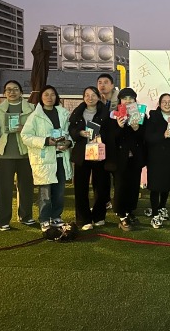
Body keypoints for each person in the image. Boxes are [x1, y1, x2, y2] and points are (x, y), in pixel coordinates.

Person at [21, 85, 73, 232]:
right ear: (41, 98)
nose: (49, 97)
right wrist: (45, 141)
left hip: (60, 157)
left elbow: (69, 133)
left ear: (56, 97)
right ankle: (44, 219)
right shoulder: (35, 116)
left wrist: (68, 142)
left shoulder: (63, 113)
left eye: (52, 94)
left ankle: (56, 216)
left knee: (59, 191)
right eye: (46, 95)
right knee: (45, 193)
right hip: (44, 159)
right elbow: (25, 136)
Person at [0, 80, 36, 231]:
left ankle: (26, 216)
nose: (12, 92)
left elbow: (37, 130)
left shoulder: (31, 108)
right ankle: (3, 220)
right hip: (4, 155)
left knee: (26, 188)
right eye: (8, 89)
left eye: (15, 89)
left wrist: (24, 128)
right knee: (3, 190)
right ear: (4, 93)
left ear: (21, 92)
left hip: (26, 154)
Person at [68, 86, 110, 231]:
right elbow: (71, 130)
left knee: (101, 187)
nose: (90, 98)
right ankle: (83, 219)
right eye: (87, 95)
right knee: (81, 187)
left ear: (98, 97)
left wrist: (101, 136)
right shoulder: (77, 112)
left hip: (99, 154)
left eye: (93, 95)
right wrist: (80, 133)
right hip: (82, 154)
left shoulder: (105, 113)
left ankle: (99, 216)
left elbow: (110, 132)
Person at [104, 87, 146, 231]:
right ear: (120, 101)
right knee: (120, 186)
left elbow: (144, 137)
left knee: (133, 186)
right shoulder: (113, 116)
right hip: (119, 159)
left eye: (131, 98)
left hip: (135, 158)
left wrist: (137, 129)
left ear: (135, 100)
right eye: (124, 98)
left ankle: (129, 211)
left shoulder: (140, 115)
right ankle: (121, 214)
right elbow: (108, 138)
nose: (128, 101)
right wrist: (119, 127)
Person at [144, 93, 170, 228]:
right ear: (159, 104)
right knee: (155, 186)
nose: (167, 104)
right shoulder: (153, 117)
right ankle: (155, 214)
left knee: (167, 183)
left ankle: (162, 207)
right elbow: (148, 137)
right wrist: (163, 135)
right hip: (155, 157)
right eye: (164, 102)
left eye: (169, 101)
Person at [97, 73, 118, 210]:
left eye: (105, 82)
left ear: (112, 85)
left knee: (117, 176)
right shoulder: (96, 101)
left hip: (116, 145)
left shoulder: (120, 101)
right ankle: (104, 201)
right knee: (101, 177)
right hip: (99, 146)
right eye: (100, 82)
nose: (102, 85)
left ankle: (118, 203)